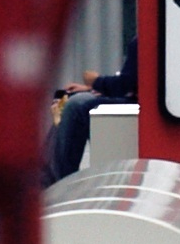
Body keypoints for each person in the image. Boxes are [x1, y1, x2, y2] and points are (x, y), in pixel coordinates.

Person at [44, 39, 137, 183]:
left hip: (138, 105)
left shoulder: (141, 41)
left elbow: (125, 85)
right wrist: (93, 89)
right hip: (138, 100)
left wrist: (96, 81)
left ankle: (56, 180)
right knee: (75, 100)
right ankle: (48, 172)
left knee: (76, 107)